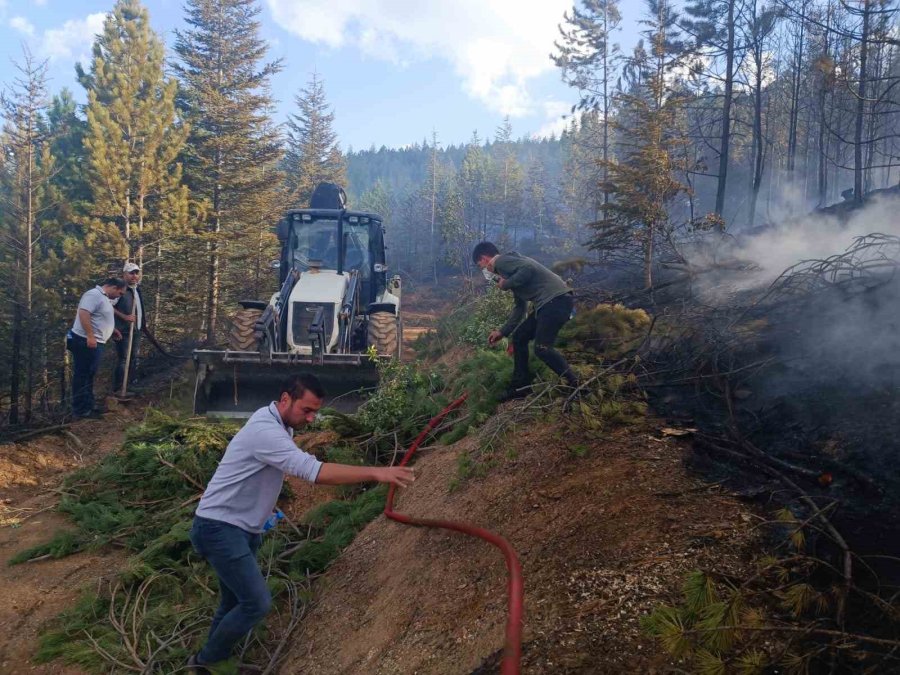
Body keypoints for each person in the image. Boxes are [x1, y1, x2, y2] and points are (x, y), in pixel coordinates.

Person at [187, 374, 415, 672]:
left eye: (315, 411)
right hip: (219, 528)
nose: (311, 418)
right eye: (306, 410)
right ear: (285, 399)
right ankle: (208, 661)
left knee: (233, 601)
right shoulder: (266, 431)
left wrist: (265, 509)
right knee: (256, 603)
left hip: (239, 527)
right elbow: (313, 472)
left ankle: (211, 661)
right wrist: (376, 472)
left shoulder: (277, 423)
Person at [472, 241, 579, 401]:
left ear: (485, 258)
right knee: (520, 336)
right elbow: (520, 308)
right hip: (550, 303)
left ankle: (577, 385)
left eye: (480, 265)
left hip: (554, 301)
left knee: (542, 348)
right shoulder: (510, 272)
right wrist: (503, 332)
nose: (484, 270)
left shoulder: (501, 261)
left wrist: (506, 284)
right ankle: (520, 387)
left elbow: (528, 268)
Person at [66, 278, 127, 418]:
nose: (120, 296)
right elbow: (84, 313)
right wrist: (90, 336)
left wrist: (112, 330)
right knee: (83, 375)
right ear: (113, 287)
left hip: (93, 342)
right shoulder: (93, 294)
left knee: (89, 374)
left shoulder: (103, 298)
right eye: (120, 293)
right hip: (84, 341)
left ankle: (88, 406)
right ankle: (81, 410)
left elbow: (98, 317)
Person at [113, 262, 145, 392]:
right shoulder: (120, 289)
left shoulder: (136, 289)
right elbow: (108, 307)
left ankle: (131, 385)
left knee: (133, 358)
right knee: (124, 359)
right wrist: (124, 317)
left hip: (136, 330)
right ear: (124, 274)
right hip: (123, 331)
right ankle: (119, 387)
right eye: (131, 273)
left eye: (136, 273)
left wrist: (143, 325)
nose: (134, 275)